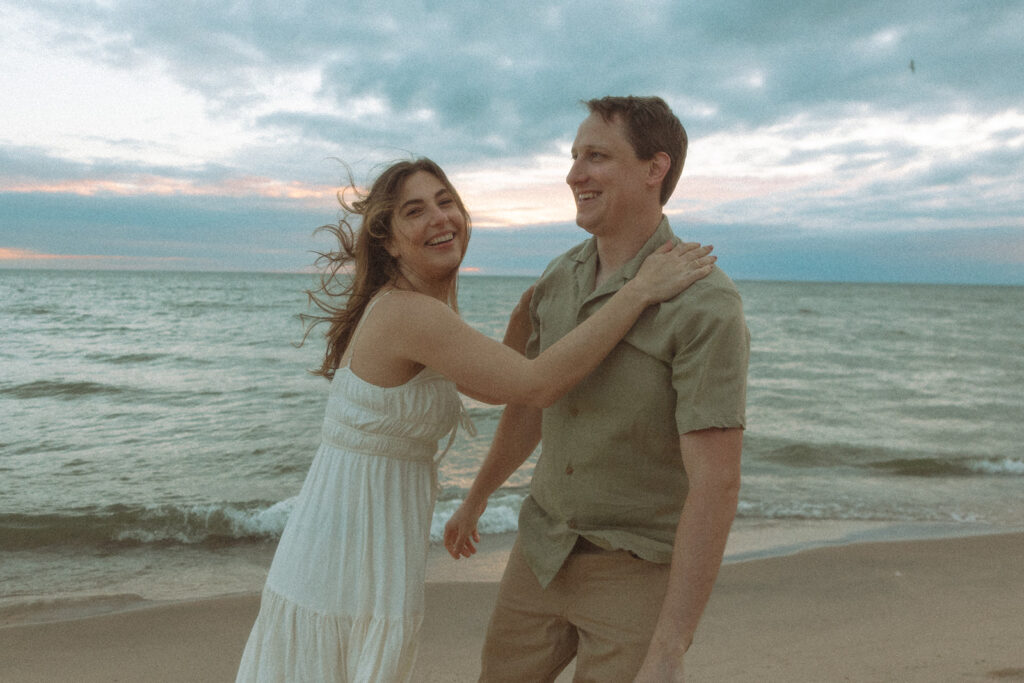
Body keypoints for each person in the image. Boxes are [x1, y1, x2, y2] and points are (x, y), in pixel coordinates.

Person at [234, 157, 716, 682]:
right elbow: (538, 386)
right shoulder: (408, 314)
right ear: (390, 241)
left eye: (446, 202)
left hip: (353, 534)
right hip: (348, 550)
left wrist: (516, 333)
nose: (440, 218)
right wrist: (639, 291)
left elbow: (488, 386)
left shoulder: (413, 309)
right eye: (415, 211)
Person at [444, 96, 750, 682]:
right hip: (541, 551)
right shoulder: (558, 279)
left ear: (654, 169)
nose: (574, 174)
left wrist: (672, 645)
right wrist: (476, 496)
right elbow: (531, 404)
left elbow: (717, 481)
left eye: (596, 157)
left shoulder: (706, 304)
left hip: (636, 569)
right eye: (574, 156)